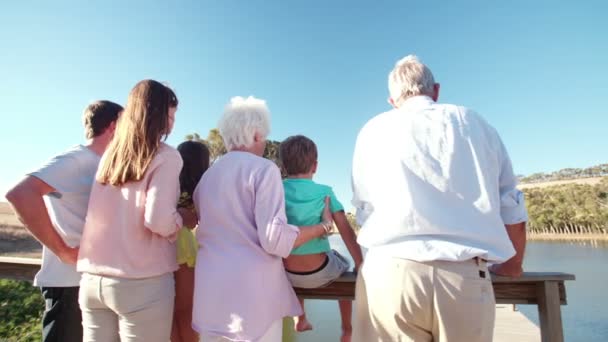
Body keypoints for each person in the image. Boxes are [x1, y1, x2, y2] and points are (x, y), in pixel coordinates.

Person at [350, 55, 528, 342]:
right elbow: (511, 204)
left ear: (392, 101)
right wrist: (512, 264)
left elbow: (364, 208)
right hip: (464, 277)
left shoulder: (372, 130)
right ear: (436, 90)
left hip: (390, 274)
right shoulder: (474, 122)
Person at [192, 96, 333, 342]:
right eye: (265, 136)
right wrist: (322, 227)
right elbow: (274, 239)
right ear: (256, 135)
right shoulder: (263, 170)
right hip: (252, 301)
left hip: (210, 296)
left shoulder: (206, 179)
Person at [77, 80, 197, 342]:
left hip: (92, 280)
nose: (173, 121)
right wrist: (181, 219)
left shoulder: (110, 156)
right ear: (156, 114)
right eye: (171, 114)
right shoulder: (166, 156)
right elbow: (158, 220)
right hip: (141, 283)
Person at [5, 100, 123, 342]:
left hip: (91, 283)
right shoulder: (77, 158)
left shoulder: (102, 164)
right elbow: (21, 194)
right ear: (113, 126)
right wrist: (62, 251)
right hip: (68, 284)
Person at [279, 135, 363, 342]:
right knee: (343, 264)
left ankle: (300, 317)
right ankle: (346, 329)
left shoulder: (276, 189)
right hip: (320, 270)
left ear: (282, 165)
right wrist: (360, 263)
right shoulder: (324, 192)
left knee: (291, 253)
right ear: (315, 166)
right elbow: (345, 231)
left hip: (286, 272)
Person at [171, 140, 210, 342]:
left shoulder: (169, 183)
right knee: (186, 311)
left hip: (164, 243)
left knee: (169, 312)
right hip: (184, 245)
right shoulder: (202, 188)